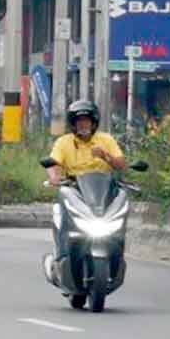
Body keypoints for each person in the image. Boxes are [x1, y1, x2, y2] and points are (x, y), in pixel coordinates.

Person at [45, 100, 126, 258]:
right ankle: (62, 254)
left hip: (102, 192)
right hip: (74, 190)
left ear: (94, 123)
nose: (83, 125)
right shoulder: (63, 142)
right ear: (73, 124)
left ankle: (117, 252)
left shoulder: (106, 140)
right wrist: (54, 176)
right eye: (79, 121)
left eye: (87, 121)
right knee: (62, 210)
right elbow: (52, 162)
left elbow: (121, 165)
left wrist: (105, 156)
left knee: (121, 205)